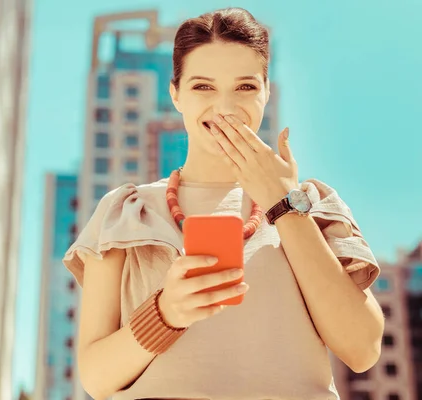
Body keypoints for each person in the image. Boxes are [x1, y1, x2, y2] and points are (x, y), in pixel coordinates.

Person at [63, 7, 384, 400]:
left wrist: (282, 205)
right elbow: (95, 379)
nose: (226, 106)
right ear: (175, 93)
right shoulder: (126, 211)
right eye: (203, 87)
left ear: (267, 91)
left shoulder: (311, 205)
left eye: (245, 87)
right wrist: (165, 314)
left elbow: (362, 349)